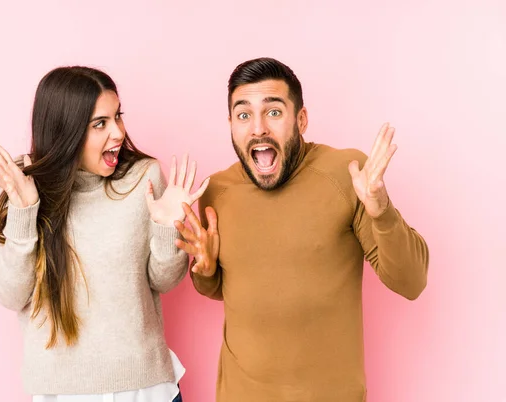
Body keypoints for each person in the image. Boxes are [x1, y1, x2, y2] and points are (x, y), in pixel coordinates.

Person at [175, 57, 430, 401]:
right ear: (231, 124)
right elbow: (238, 289)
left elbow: (411, 282)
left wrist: (381, 211)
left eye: (274, 112)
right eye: (244, 114)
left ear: (302, 119)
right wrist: (205, 273)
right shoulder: (215, 192)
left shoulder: (346, 173)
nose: (258, 128)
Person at [0, 66, 208, 402]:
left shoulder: (143, 178)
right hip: (61, 392)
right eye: (100, 123)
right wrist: (25, 211)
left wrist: (166, 227)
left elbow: (164, 281)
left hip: (145, 388)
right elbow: (11, 295)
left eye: (118, 116)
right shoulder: (27, 188)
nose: (117, 132)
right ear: (66, 131)